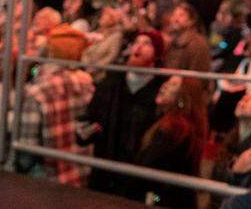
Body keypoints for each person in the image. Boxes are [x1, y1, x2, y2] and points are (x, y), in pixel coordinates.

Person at [78, 29, 166, 200]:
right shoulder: (111, 82)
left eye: (147, 43)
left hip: (136, 176)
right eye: (136, 42)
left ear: (157, 53)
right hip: (105, 167)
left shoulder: (160, 91)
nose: (138, 47)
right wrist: (86, 131)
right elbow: (89, 120)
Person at [15, 24, 95, 186]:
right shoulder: (88, 84)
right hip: (81, 173)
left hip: (47, 179)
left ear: (50, 52)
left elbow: (27, 149)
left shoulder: (38, 92)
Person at [134, 75, 208, 209]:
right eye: (167, 81)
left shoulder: (175, 127)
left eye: (173, 85)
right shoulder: (179, 124)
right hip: (172, 198)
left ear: (182, 97)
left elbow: (148, 165)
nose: (165, 85)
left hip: (163, 199)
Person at [164, 1, 212, 72]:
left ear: (191, 21)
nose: (175, 19)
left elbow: (197, 75)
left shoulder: (198, 43)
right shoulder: (172, 40)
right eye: (174, 15)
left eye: (181, 15)